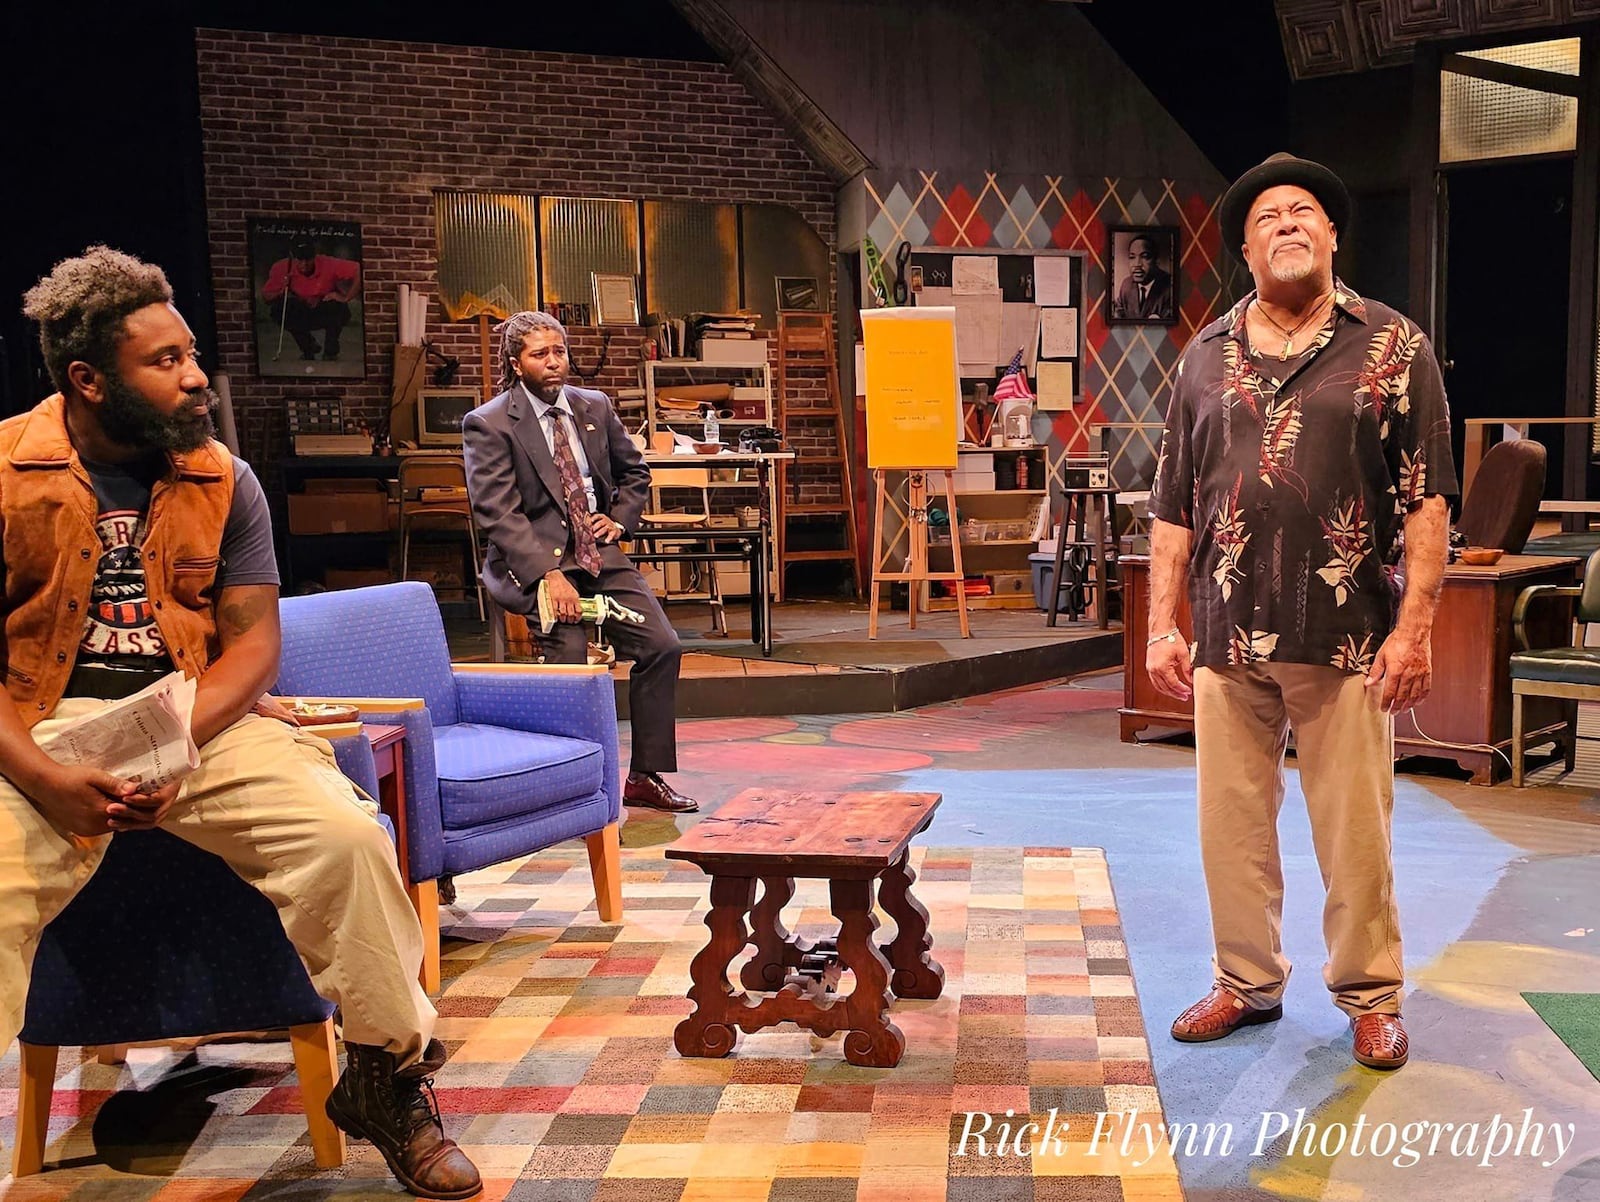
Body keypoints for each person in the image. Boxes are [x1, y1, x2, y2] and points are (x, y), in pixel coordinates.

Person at [5, 247, 480, 1199]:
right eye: (164, 362)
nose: (192, 378)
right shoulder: (6, 474)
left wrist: (176, 747)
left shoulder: (224, 478)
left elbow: (253, 647)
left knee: (347, 836)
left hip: (201, 718)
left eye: (189, 354)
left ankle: (390, 1081)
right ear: (87, 380)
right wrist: (45, 776)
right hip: (38, 727)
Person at [1146, 154, 1456, 1071]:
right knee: (1229, 823)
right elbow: (1173, 504)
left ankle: (1369, 996)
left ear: (1331, 236)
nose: (1287, 222)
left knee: (1355, 825)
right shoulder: (1203, 356)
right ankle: (1245, 982)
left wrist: (1417, 629)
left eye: (1305, 211)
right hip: (1227, 627)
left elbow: (1428, 499)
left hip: (1348, 632)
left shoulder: (1393, 345)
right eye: (1268, 215)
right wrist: (1164, 622)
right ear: (1245, 246)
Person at [462, 310, 700, 814]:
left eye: (559, 351)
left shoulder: (594, 406)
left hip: (597, 551)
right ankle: (573, 790)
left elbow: (636, 473)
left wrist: (618, 520)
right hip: (534, 557)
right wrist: (548, 575)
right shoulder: (489, 422)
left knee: (662, 646)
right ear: (515, 362)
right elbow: (497, 513)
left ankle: (644, 776)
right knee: (571, 664)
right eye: (539, 354)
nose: (553, 362)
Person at [260, 236, 361, 361]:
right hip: (301, 311)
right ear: (293, 257)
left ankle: (330, 351)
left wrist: (346, 297)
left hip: (324, 310)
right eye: (300, 259)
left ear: (315, 256)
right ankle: (308, 347)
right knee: (279, 309)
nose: (304, 264)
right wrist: (281, 292)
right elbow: (266, 297)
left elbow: (359, 270)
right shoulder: (281, 267)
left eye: (308, 258)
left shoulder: (327, 263)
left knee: (337, 305)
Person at [1112, 233, 1174, 321]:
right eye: (1132, 257)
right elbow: (1118, 316)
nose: (1137, 264)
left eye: (1145, 257)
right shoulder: (1126, 285)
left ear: (1156, 260)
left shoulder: (1170, 288)